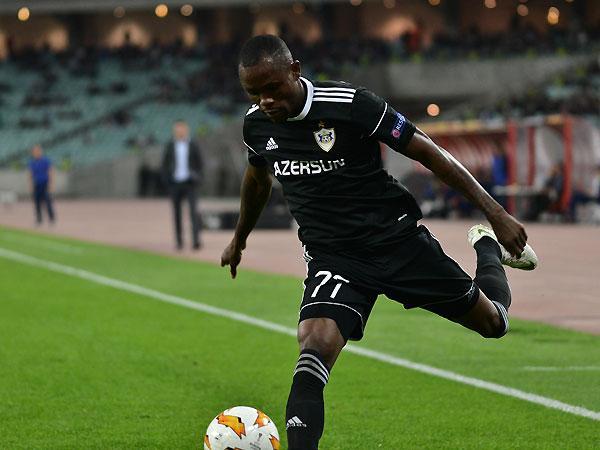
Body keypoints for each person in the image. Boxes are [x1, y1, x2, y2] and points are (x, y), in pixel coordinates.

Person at [220, 35, 538, 450]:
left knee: (494, 324)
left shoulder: (352, 105)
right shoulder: (256, 125)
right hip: (334, 257)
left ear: (294, 70)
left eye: (273, 88)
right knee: (313, 345)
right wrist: (239, 239)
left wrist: (495, 212)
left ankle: (486, 247)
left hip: (397, 243)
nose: (266, 101)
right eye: (254, 93)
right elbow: (257, 179)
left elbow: (428, 152)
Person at [161, 120, 203, 250]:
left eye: (182, 129)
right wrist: (167, 180)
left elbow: (200, 163)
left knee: (193, 213)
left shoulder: (193, 144)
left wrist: (198, 177)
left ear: (186, 129)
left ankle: (196, 240)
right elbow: (165, 164)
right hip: (175, 183)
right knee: (177, 214)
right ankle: (179, 241)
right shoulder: (170, 145)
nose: (180, 131)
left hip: (190, 183)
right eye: (177, 129)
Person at [28, 144, 55, 225]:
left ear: (40, 151)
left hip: (45, 183)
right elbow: (30, 174)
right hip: (37, 184)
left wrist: (51, 184)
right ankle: (39, 219)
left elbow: (50, 172)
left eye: (37, 151)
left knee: (48, 201)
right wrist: (30, 185)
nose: (36, 153)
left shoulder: (46, 161)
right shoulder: (32, 162)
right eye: (34, 151)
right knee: (37, 202)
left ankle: (51, 218)